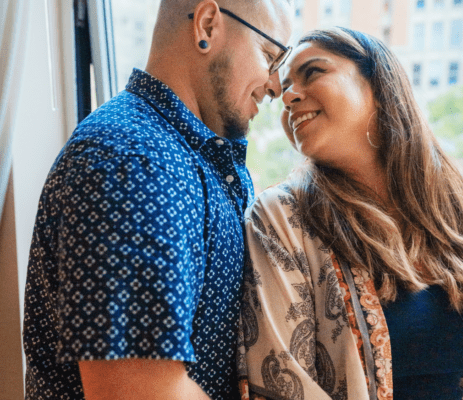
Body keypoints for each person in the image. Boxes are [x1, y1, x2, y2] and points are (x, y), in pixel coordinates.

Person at [23, 1, 292, 399]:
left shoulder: (191, 156)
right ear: (207, 25)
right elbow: (137, 391)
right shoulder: (134, 162)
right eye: (269, 56)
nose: (275, 86)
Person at [237, 27, 463, 400]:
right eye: (282, 91)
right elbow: (281, 383)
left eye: (312, 72)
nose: (289, 97)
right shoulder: (281, 218)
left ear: (378, 83)